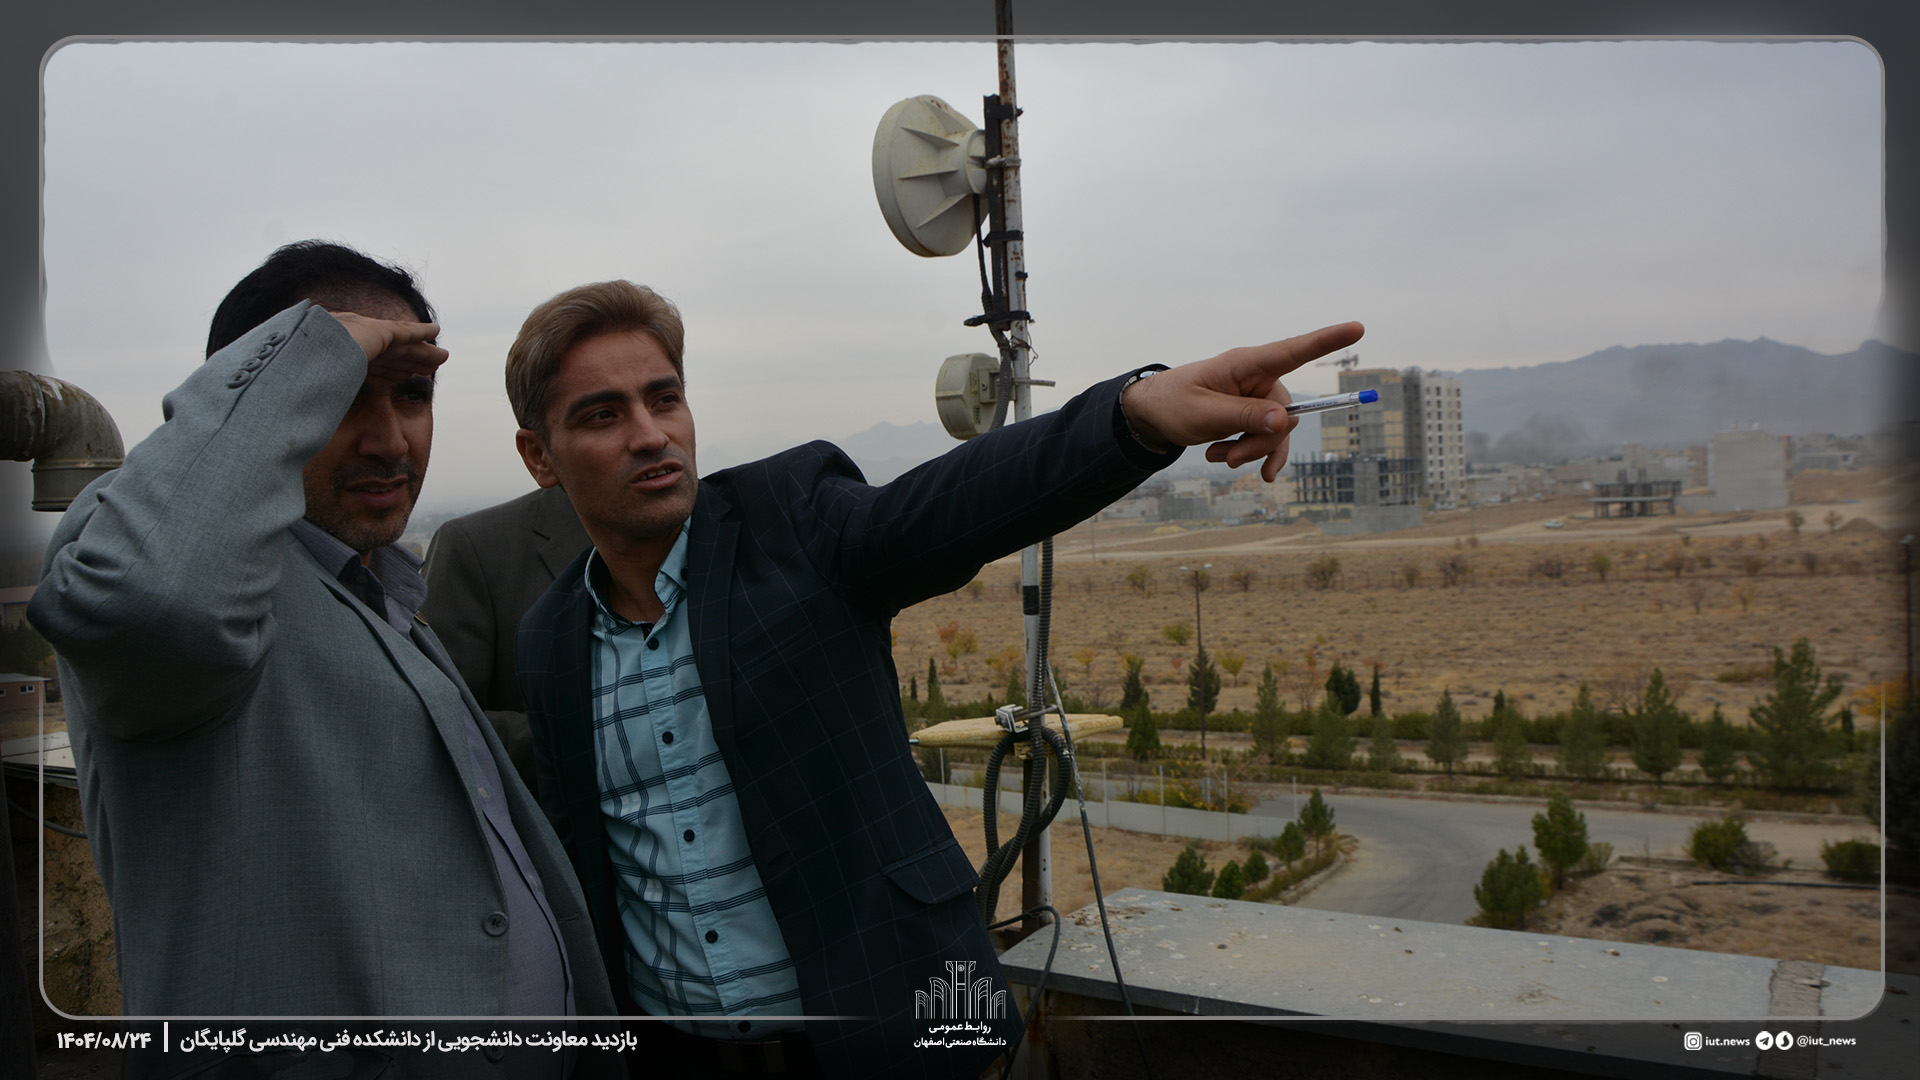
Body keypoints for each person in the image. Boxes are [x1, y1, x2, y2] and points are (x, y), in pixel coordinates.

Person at [506, 279, 1363, 1077]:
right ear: (540, 456)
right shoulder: (549, 640)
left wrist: (1135, 416)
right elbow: (586, 870)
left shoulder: (790, 520)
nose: (650, 433)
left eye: (664, 399)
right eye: (603, 415)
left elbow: (954, 503)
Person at [27, 242, 616, 1030]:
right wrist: (310, 353)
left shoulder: (381, 592)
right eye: (339, 396)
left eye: (412, 395)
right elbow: (152, 603)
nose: (389, 441)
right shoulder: (184, 573)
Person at [422, 485, 591, 792]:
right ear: (539, 461)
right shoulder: (474, 546)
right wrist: (603, 737)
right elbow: (439, 724)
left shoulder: (689, 534)